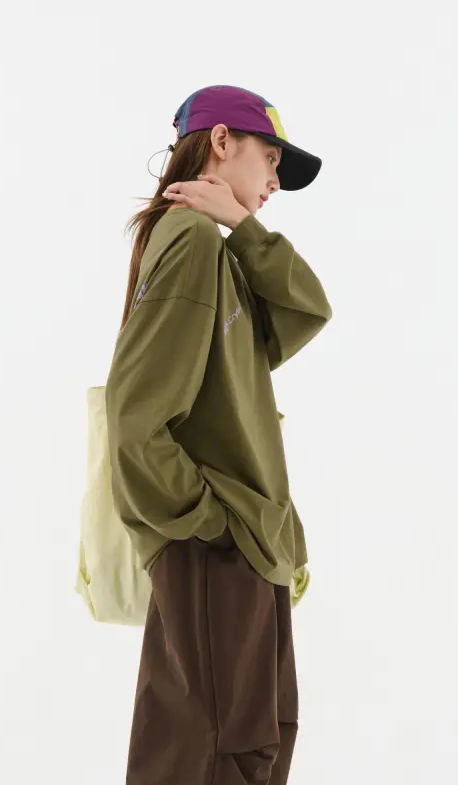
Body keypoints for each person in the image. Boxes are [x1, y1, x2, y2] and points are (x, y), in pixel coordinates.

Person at [105, 84, 333, 784]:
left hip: (246, 547)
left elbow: (305, 310)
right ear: (222, 141)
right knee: (214, 756)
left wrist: (244, 226)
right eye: (270, 157)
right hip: (219, 549)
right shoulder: (191, 242)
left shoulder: (220, 249)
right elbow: (136, 421)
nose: (274, 181)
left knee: (249, 748)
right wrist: (214, 523)